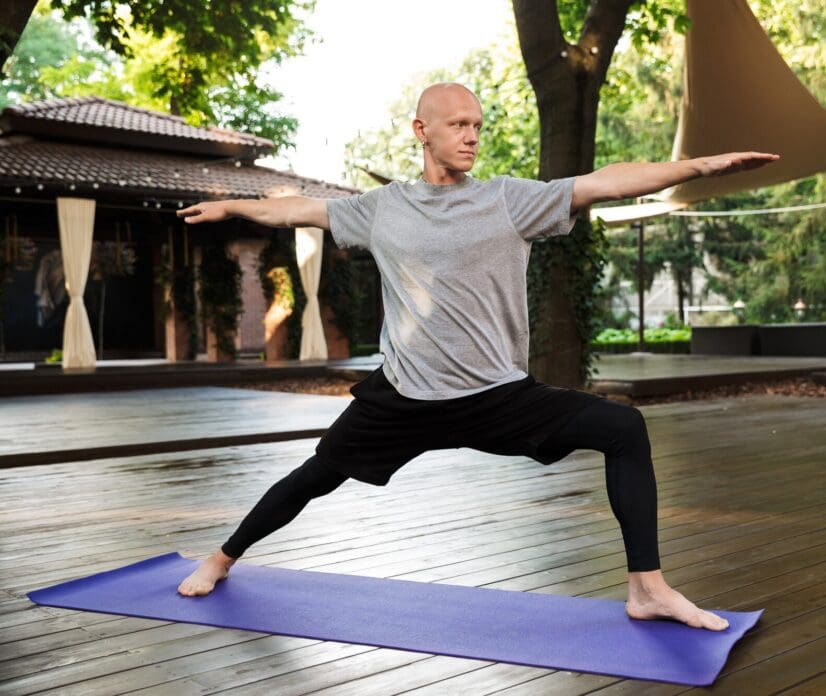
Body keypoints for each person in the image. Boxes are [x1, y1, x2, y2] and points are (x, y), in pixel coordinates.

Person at [175, 82, 778, 631]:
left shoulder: (508, 201)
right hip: (405, 397)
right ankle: (222, 557)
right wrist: (231, 207)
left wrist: (699, 166)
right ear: (422, 131)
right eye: (459, 124)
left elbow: (605, 181)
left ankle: (647, 588)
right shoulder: (380, 208)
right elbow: (295, 209)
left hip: (497, 397)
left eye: (478, 126)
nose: (471, 136)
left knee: (623, 426)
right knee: (315, 476)